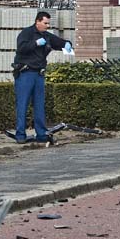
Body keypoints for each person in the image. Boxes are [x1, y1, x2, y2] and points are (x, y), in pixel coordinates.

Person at [12, 11, 73, 144]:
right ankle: (20, 134)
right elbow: (21, 48)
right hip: (25, 73)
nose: (47, 26)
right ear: (37, 21)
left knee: (39, 105)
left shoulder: (46, 36)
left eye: (48, 23)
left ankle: (41, 134)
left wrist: (67, 44)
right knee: (22, 104)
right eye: (45, 23)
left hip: (39, 74)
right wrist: (35, 43)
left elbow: (59, 42)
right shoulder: (27, 33)